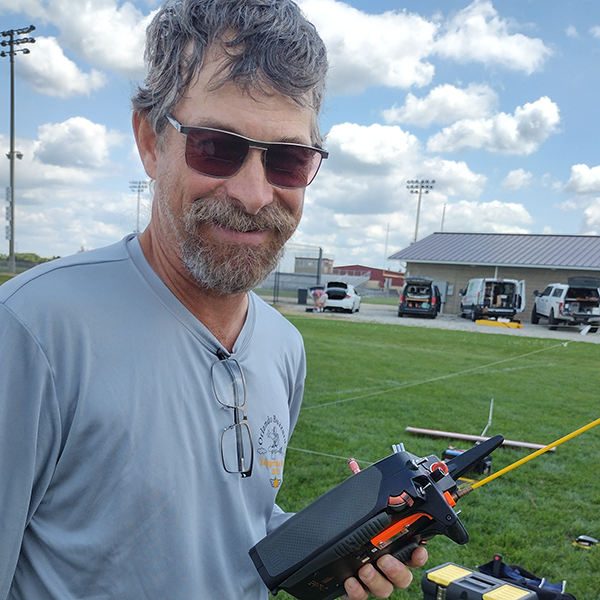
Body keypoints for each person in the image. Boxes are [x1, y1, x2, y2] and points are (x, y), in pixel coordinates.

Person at [0, 1, 426, 599]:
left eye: (288, 159)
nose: (255, 195)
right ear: (151, 142)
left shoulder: (284, 346)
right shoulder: (31, 329)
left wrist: (334, 546)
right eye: (216, 147)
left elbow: (234, 530)